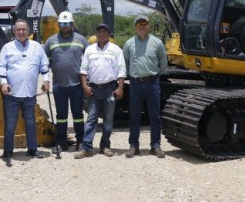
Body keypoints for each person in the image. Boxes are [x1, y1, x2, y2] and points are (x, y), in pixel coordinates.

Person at [0, 19, 50, 166]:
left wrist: (46, 81)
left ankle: (32, 149)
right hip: (12, 93)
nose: (21, 32)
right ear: (14, 31)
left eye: (23, 29)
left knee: (30, 122)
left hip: (30, 93)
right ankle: (8, 151)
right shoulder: (7, 48)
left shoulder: (37, 47)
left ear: (28, 31)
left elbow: (44, 65)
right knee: (10, 124)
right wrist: (3, 83)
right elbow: (1, 67)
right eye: (18, 29)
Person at [76, 23, 126, 159]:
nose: (102, 34)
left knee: (108, 120)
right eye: (99, 31)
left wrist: (120, 87)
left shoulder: (116, 50)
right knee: (91, 118)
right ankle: (86, 148)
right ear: (96, 34)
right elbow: (83, 70)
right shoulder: (89, 50)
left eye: (105, 31)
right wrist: (85, 86)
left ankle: (105, 146)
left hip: (110, 88)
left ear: (109, 34)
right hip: (94, 89)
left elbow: (121, 70)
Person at [122, 15, 168, 159]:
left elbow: (163, 62)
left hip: (152, 82)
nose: (141, 26)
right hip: (135, 83)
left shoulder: (157, 43)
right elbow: (125, 63)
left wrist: (154, 76)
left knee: (154, 115)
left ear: (148, 25)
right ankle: (133, 146)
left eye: (144, 23)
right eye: (138, 23)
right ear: (135, 26)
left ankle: (155, 146)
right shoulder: (129, 44)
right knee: (134, 115)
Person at [43, 11, 88, 152]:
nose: (65, 26)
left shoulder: (81, 40)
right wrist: (46, 79)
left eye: (68, 23)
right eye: (62, 24)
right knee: (61, 116)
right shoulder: (51, 41)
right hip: (59, 85)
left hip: (77, 85)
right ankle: (61, 142)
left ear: (72, 24)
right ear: (59, 25)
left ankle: (80, 141)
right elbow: (44, 62)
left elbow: (89, 59)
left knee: (78, 115)